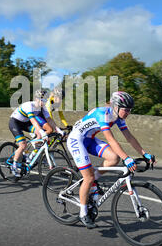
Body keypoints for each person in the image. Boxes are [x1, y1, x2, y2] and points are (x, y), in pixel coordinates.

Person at [66, 91, 155, 229]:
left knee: (114, 158)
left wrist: (145, 153)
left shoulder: (118, 116)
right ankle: (83, 213)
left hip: (89, 139)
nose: (128, 113)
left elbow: (129, 137)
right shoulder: (103, 115)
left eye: (130, 110)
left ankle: (91, 180)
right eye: (125, 109)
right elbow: (111, 140)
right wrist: (127, 158)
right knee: (88, 178)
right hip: (76, 140)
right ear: (116, 106)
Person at [8, 89, 63, 177]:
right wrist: (41, 131)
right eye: (41, 99)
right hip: (15, 122)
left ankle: (32, 153)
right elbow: (33, 121)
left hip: (25, 123)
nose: (43, 102)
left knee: (40, 135)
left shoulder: (43, 107)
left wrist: (57, 129)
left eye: (45, 100)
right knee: (22, 145)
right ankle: (14, 165)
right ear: (36, 99)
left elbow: (49, 119)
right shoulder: (29, 106)